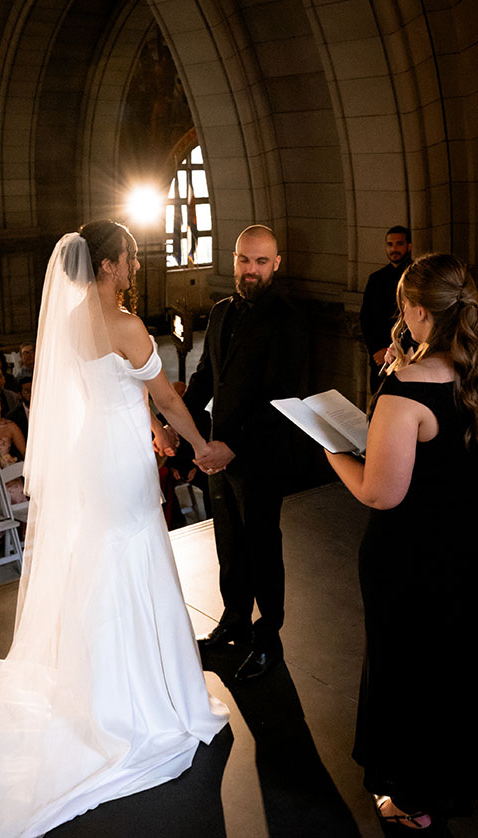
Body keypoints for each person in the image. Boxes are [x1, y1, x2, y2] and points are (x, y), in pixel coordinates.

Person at [0, 221, 228, 837]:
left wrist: (155, 432)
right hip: (121, 469)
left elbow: (107, 397)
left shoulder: (68, 325)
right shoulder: (128, 327)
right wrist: (201, 447)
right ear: (105, 267)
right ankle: (143, 694)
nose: (132, 268)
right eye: (126, 260)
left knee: (101, 567)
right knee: (135, 561)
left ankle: (96, 681)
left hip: (92, 462)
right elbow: (166, 399)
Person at [326, 253, 478, 831]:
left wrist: (333, 452)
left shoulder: (405, 390)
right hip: (466, 547)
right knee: (456, 665)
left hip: (412, 556)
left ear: (416, 310)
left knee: (408, 669)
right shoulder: (471, 370)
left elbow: (380, 492)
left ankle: (413, 801)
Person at [181, 224, 307, 681]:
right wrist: (183, 430)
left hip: (260, 457)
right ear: (233, 259)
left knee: (262, 547)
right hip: (216, 452)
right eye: (243, 260)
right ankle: (234, 619)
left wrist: (230, 447)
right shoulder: (219, 312)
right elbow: (203, 380)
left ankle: (268, 637)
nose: (250, 270)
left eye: (260, 262)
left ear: (276, 264)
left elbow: (281, 398)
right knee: (228, 543)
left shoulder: (287, 319)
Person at [360, 226, 412, 392]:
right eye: (390, 244)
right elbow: (365, 319)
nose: (394, 249)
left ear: (409, 246)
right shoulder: (376, 279)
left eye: (399, 244)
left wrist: (395, 349)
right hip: (378, 358)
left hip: (407, 355)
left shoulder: (416, 278)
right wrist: (377, 350)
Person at [6, 374, 31, 443]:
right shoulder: (12, 417)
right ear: (19, 394)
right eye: (27, 391)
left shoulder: (47, 412)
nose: (31, 394)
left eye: (34, 390)